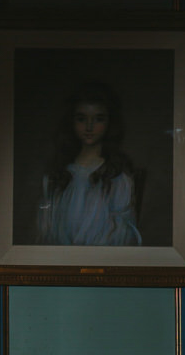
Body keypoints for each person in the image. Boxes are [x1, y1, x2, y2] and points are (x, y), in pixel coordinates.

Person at [36, 80, 143, 246]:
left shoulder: (116, 176)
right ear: (71, 122)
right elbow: (46, 227)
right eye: (81, 119)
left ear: (109, 123)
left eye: (98, 119)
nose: (89, 126)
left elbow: (123, 232)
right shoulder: (58, 175)